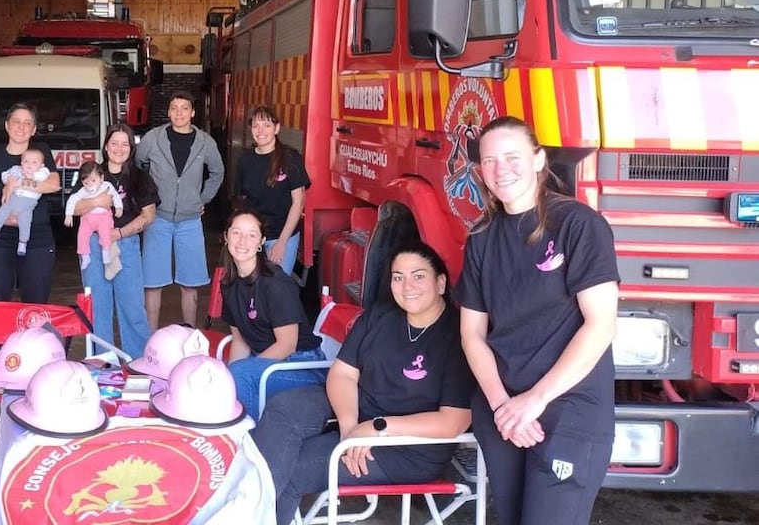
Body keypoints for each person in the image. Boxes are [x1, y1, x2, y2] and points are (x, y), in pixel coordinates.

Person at [454, 115, 619, 525]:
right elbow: (472, 334)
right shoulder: (481, 236)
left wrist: (535, 401)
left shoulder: (580, 226)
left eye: (512, 157)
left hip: (568, 408)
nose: (500, 169)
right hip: (504, 411)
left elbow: (600, 325)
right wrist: (503, 406)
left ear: (539, 159)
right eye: (489, 161)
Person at [251, 241, 475, 525]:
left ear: (440, 282)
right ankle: (247, 507)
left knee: (293, 468)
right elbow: (343, 373)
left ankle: (248, 512)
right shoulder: (381, 315)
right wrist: (350, 428)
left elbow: (452, 422)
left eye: (418, 276)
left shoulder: (458, 337)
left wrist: (375, 429)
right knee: (283, 407)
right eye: (398, 277)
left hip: (406, 447)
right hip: (356, 412)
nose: (407, 286)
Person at [220, 207, 326, 419]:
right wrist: (228, 376)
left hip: (303, 364)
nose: (242, 241)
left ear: (261, 242)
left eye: (252, 235)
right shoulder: (229, 284)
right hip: (268, 360)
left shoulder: (275, 284)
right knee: (217, 375)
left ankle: (251, 436)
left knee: (240, 375)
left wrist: (242, 372)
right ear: (226, 237)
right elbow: (241, 341)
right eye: (236, 233)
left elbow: (287, 344)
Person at [136, 91, 224, 329]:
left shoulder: (205, 142)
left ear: (193, 113)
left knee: (190, 283)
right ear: (168, 112)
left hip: (190, 221)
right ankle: (150, 337)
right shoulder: (153, 139)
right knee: (153, 282)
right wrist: (147, 199)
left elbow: (218, 172)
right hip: (158, 219)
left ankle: (190, 336)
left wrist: (202, 199)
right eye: (174, 108)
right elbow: (138, 167)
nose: (179, 113)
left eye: (184, 108)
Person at [73, 124, 158, 359]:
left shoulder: (140, 177)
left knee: (132, 306)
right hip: (93, 243)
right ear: (106, 146)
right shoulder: (91, 172)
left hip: (126, 243)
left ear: (131, 148)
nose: (119, 148)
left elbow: (148, 215)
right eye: (114, 143)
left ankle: (139, 363)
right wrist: (99, 201)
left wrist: (118, 234)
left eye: (125, 144)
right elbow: (74, 207)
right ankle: (103, 362)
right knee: (98, 306)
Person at [0, 104, 60, 303]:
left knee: (35, 303)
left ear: (34, 129)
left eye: (28, 123)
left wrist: (19, 183)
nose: (21, 127)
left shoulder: (41, 152)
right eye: (16, 122)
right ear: (7, 126)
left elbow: (53, 184)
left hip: (37, 237)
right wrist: (3, 218)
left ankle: (32, 336)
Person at [234, 105, 310, 275]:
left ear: (276, 128)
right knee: (251, 288)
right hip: (253, 236)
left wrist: (282, 243)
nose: (261, 130)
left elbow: (298, 203)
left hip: (282, 235)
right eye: (255, 126)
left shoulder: (290, 157)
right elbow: (240, 203)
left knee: (276, 288)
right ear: (250, 129)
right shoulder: (245, 159)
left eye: (267, 125)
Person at [0, 148, 51, 256]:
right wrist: (10, 178)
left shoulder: (42, 171)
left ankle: (22, 243)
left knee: (25, 223)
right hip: (12, 200)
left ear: (41, 165)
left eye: (34, 162)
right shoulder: (17, 169)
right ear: (21, 162)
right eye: (26, 161)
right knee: (0, 215)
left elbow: (44, 175)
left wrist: (32, 176)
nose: (29, 165)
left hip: (27, 205)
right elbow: (4, 175)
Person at [64, 160, 124, 278]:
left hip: (103, 217)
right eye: (86, 183)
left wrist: (119, 207)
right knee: (82, 235)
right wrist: (68, 215)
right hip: (88, 218)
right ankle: (85, 256)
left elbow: (116, 197)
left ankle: (105, 252)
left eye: (93, 181)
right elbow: (72, 200)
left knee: (105, 233)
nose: (90, 185)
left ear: (101, 178)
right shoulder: (83, 191)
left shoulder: (107, 186)